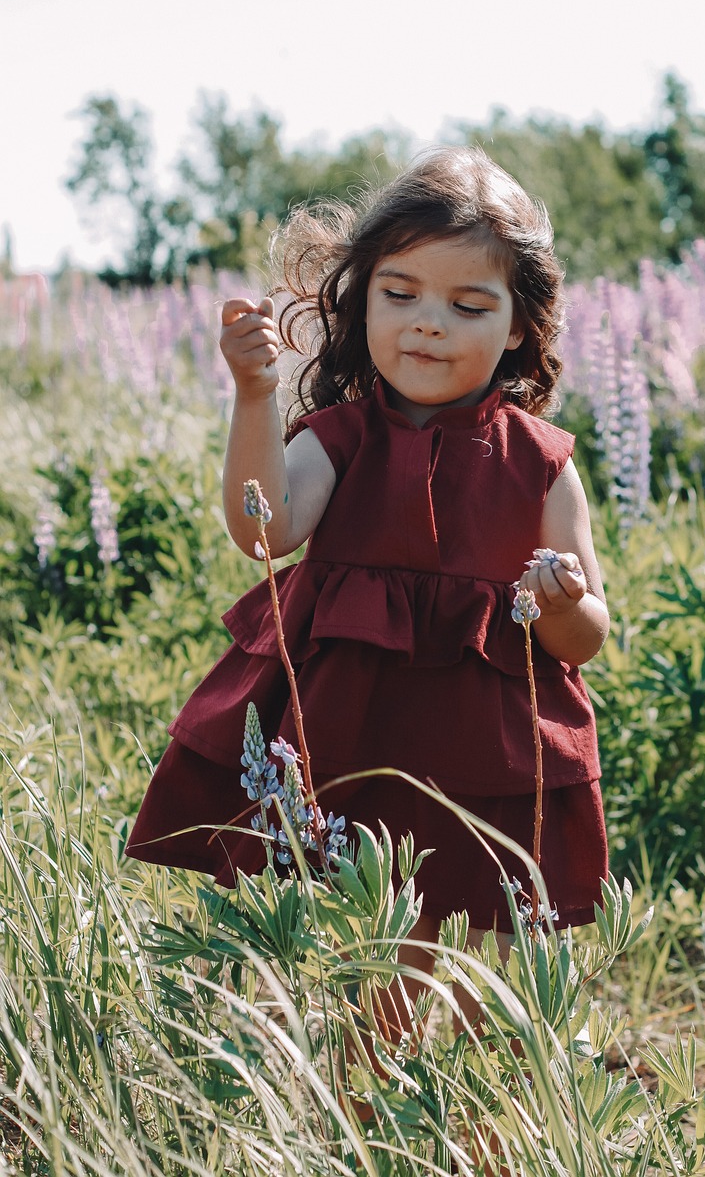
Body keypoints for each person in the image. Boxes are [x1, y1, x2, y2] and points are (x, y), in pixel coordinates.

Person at [126, 146, 610, 967]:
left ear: (519, 325)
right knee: (344, 939)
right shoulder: (340, 439)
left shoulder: (540, 464)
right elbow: (263, 532)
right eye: (400, 294)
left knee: (456, 936)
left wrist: (563, 603)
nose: (427, 321)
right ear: (362, 304)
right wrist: (254, 399)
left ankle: (431, 1083)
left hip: (474, 755)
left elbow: (586, 638)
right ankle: (342, 1083)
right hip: (342, 739)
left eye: (467, 305)